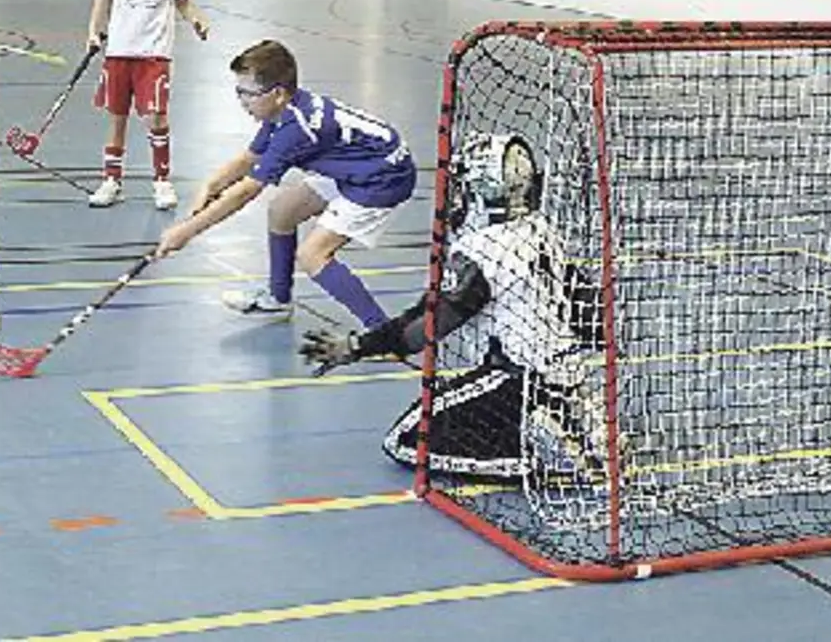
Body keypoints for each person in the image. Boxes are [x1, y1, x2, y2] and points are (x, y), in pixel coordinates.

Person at [298, 132, 605, 482]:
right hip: (566, 373)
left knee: (405, 440)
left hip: (515, 377)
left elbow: (425, 328)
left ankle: (533, 452)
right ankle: (569, 415)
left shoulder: (482, 249)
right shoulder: (540, 229)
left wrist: (357, 346)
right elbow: (588, 314)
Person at [153, 40, 415, 330]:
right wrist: (210, 185)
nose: (242, 101)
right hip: (355, 165)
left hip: (382, 176)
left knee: (312, 255)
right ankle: (278, 300)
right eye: (239, 92)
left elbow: (247, 191)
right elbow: (249, 159)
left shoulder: (296, 129)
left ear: (277, 93)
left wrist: (186, 231)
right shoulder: (281, 112)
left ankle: (383, 333)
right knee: (282, 211)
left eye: (248, 94)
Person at [84, 0, 209, 210]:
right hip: (119, 50)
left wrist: (197, 19)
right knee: (117, 118)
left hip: (153, 53)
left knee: (156, 117)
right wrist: (94, 30)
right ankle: (112, 180)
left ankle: (162, 181)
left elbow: (183, 1)